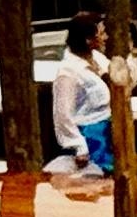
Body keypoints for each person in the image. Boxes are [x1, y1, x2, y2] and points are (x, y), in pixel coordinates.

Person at [47, 16, 113, 174]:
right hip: (91, 136)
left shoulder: (97, 58)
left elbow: (120, 80)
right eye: (101, 34)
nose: (106, 38)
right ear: (89, 40)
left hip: (108, 130)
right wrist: (78, 145)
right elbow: (62, 114)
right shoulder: (68, 72)